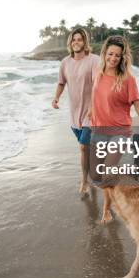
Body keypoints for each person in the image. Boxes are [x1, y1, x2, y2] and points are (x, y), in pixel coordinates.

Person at [88, 35, 139, 223]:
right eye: (110, 54)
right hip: (98, 131)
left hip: (120, 132)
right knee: (96, 177)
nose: (113, 58)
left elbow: (138, 105)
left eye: (118, 55)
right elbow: (96, 96)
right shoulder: (97, 72)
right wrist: (91, 111)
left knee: (108, 173)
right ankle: (129, 182)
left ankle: (108, 210)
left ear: (122, 57)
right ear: (104, 54)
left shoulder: (128, 79)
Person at [52, 27, 100, 197]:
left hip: (91, 112)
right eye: (73, 40)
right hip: (74, 114)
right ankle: (94, 171)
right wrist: (56, 98)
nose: (76, 42)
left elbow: (98, 84)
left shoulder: (94, 60)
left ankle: (84, 181)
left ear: (85, 42)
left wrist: (93, 107)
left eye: (79, 39)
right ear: (70, 43)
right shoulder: (65, 62)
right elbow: (61, 83)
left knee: (82, 147)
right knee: (87, 148)